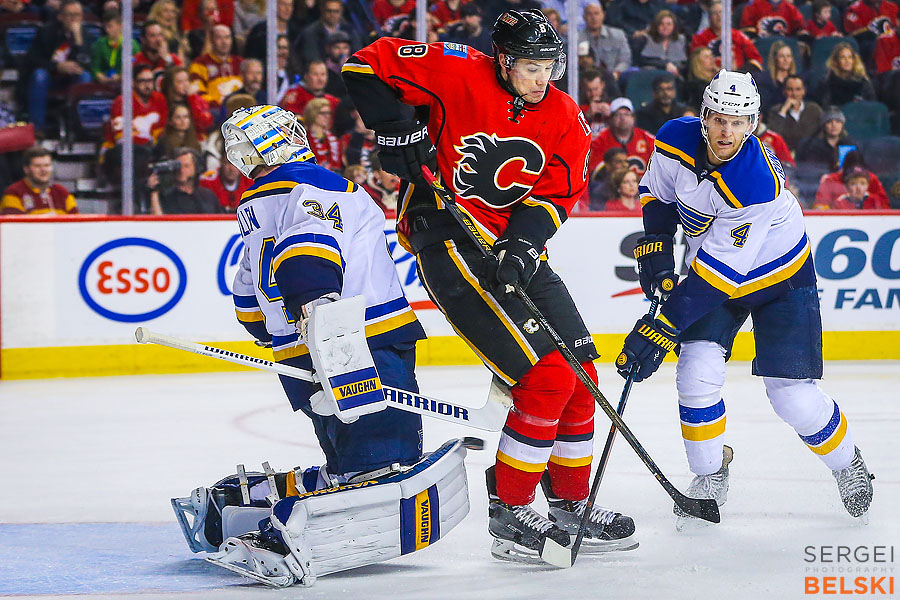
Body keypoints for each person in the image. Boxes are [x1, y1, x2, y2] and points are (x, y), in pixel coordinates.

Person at [342, 9, 636, 564]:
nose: (542, 79)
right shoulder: (456, 69)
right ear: (502, 60)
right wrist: (397, 127)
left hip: (510, 247)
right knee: (546, 378)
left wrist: (522, 245)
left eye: (550, 67)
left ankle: (570, 504)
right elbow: (364, 64)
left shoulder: (564, 115)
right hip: (447, 236)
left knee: (581, 377)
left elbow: (557, 194)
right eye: (530, 67)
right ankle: (510, 510)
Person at [173, 105, 471, 588]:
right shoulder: (320, 185)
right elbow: (308, 249)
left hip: (297, 351)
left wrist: (280, 332)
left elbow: (248, 292)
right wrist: (320, 313)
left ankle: (246, 503)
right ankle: (284, 533)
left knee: (347, 457)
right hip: (356, 341)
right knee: (383, 461)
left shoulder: (254, 205)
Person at [617, 69, 874, 530]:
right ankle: (710, 472)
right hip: (713, 273)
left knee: (792, 397)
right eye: (719, 119)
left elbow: (720, 278)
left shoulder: (756, 181)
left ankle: (847, 462)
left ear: (752, 124)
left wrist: (659, 328)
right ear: (704, 116)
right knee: (695, 373)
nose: (727, 132)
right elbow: (657, 192)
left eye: (738, 123)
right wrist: (656, 243)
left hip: (780, 277)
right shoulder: (674, 138)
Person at [24, 0, 92, 133]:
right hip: (50, 77)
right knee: (39, 76)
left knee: (85, 76)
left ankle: (80, 128)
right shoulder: (46, 31)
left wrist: (78, 40)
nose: (74, 19)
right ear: (60, 16)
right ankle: (37, 128)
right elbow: (33, 61)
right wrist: (58, 66)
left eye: (78, 15)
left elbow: (87, 63)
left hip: (71, 79)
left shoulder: (85, 34)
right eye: (70, 15)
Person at [589, 97, 655, 180]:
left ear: (633, 118)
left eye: (627, 114)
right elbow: (593, 171)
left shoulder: (647, 138)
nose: (623, 118)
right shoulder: (599, 141)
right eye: (618, 114)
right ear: (611, 119)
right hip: (610, 185)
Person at [1, 146, 77, 215]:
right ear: (26, 169)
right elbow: (13, 224)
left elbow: (76, 221)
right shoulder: (14, 192)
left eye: (47, 165)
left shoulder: (62, 192)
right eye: (37, 166)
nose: (43, 170)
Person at [690, 1, 763, 71]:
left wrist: (739, 72)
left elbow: (755, 59)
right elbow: (696, 65)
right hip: (710, 77)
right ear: (709, 17)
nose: (719, 16)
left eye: (721, 12)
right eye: (714, 13)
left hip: (737, 74)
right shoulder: (699, 38)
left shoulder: (738, 35)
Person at [149, 147, 222, 214]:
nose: (181, 170)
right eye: (179, 166)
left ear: (196, 167)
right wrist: (154, 192)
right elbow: (158, 221)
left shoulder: (207, 195)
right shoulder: (166, 196)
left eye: (186, 166)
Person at [189, 24, 243, 111]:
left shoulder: (240, 62)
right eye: (219, 38)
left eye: (227, 37)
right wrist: (218, 107)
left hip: (241, 109)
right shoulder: (200, 63)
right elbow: (198, 92)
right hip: (214, 110)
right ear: (212, 41)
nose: (224, 42)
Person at [814, 150, 889, 208]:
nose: (858, 187)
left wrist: (869, 198)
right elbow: (820, 208)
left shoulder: (871, 178)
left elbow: (886, 207)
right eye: (853, 183)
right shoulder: (831, 180)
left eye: (862, 183)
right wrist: (839, 203)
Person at [767, 75, 824, 152]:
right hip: (785, 153)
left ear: (804, 91)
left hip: (811, 153)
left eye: (798, 89)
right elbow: (774, 137)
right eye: (790, 89)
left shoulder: (814, 109)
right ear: (784, 92)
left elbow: (822, 134)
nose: (794, 94)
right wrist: (783, 111)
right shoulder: (776, 111)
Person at [300, 0, 362, 65]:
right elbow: (312, 58)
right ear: (322, 11)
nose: (332, 14)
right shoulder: (311, 32)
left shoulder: (350, 30)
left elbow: (358, 55)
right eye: (329, 11)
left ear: (341, 12)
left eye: (336, 11)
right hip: (321, 69)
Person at [579, 2, 631, 78]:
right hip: (587, 78)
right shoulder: (577, 38)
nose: (593, 18)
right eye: (589, 14)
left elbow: (625, 60)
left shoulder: (618, 35)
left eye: (596, 13)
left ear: (603, 15)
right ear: (584, 17)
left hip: (614, 77)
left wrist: (616, 73)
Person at [161, 66, 215, 139]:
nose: (185, 84)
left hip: (197, 139)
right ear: (171, 85)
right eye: (180, 82)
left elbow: (205, 123)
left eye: (187, 80)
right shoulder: (164, 102)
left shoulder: (196, 99)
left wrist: (192, 98)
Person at [816, 42, 876, 107]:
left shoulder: (863, 81)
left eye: (850, 57)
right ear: (836, 61)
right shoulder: (827, 82)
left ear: (854, 60)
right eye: (843, 57)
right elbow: (825, 106)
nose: (847, 61)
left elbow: (871, 105)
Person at [90, 9, 140, 85]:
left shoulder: (132, 45)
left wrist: (120, 77)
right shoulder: (100, 43)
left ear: (120, 26)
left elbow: (136, 66)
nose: (107, 30)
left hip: (124, 83)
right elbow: (95, 67)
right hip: (102, 83)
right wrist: (100, 77)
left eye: (110, 26)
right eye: (105, 26)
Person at [798, 106, 856, 172]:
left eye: (838, 121)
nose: (834, 125)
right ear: (824, 125)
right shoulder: (813, 146)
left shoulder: (850, 144)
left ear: (842, 125)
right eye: (829, 122)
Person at [633, 10, 688, 76]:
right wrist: (665, 65)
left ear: (674, 26)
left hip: (675, 74)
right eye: (661, 24)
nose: (665, 27)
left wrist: (677, 68)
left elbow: (683, 62)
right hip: (652, 73)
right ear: (656, 26)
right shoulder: (645, 39)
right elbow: (641, 61)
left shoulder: (681, 40)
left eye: (669, 24)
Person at [755, 40, 796, 115]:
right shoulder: (766, 81)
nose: (786, 60)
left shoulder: (796, 80)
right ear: (775, 58)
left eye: (788, 56)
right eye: (781, 56)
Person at [303, 98, 343, 173]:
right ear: (312, 114)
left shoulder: (334, 139)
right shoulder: (303, 138)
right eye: (323, 113)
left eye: (329, 113)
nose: (327, 116)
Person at [739, 0, 806, 38]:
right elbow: (747, 31)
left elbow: (800, 31)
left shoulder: (791, 9)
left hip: (784, 48)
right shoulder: (753, 6)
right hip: (761, 48)